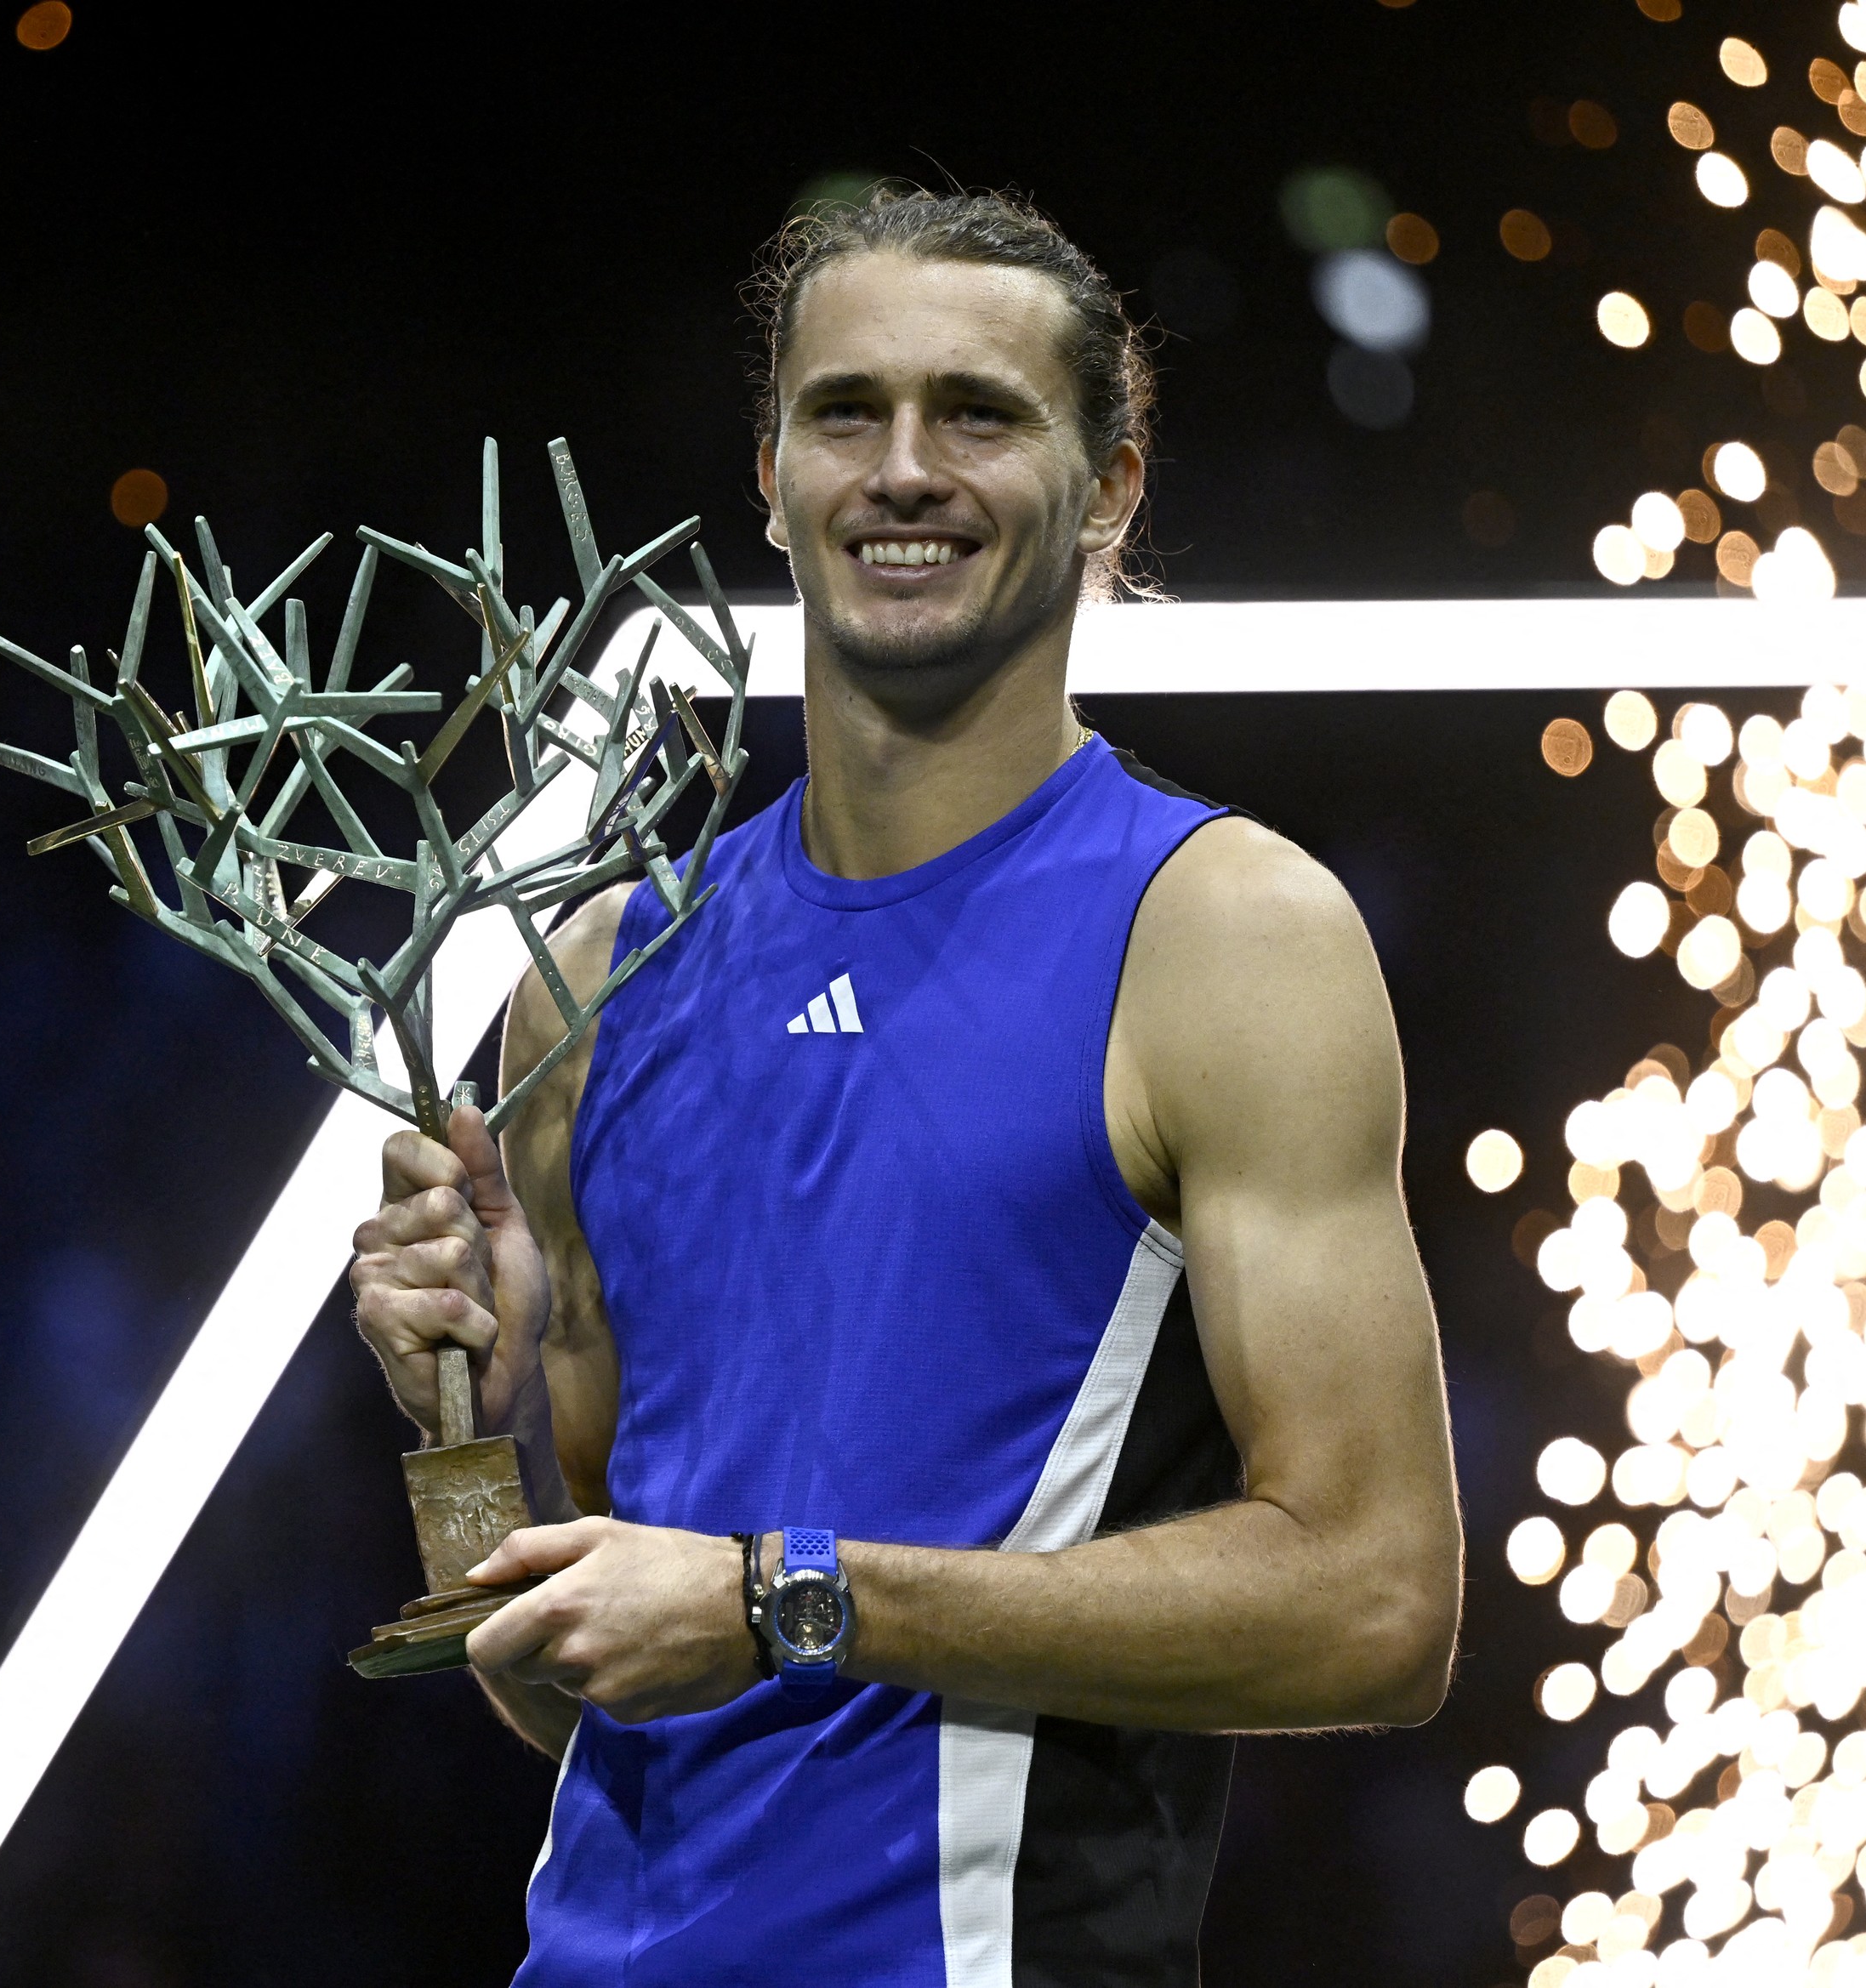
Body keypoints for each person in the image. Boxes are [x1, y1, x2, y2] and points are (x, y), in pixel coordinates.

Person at [347, 187, 1462, 1986]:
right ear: (770, 474)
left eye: (980, 413)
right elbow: (552, 1675)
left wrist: (784, 1598)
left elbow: (1375, 1604)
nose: (903, 469)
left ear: (1107, 484)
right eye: (845, 412)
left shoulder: (1220, 935)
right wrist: (454, 1421)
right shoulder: (596, 971)